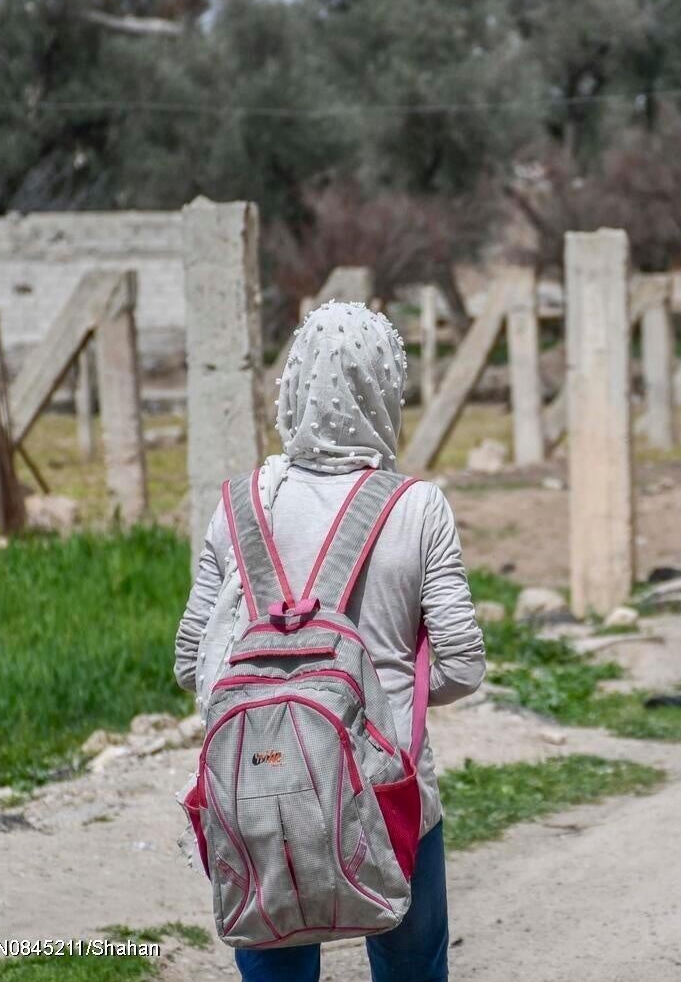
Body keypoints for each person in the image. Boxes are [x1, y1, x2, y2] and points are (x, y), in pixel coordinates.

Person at [174, 301, 486, 982]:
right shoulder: (417, 507)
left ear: (293, 384)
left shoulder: (239, 505)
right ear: (386, 388)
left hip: (261, 788)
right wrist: (380, 698)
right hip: (390, 790)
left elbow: (190, 663)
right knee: (412, 965)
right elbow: (464, 665)